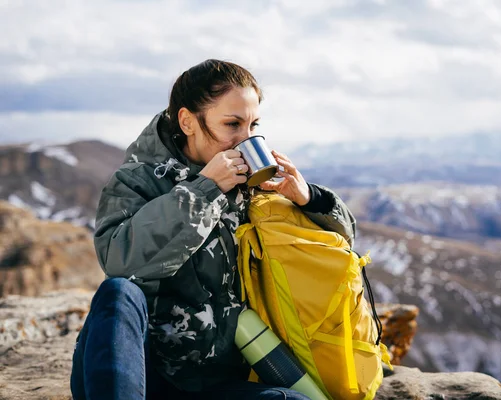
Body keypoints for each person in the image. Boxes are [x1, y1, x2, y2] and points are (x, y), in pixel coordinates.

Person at [70, 59, 356, 400]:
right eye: (232, 124)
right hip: (138, 375)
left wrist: (308, 198)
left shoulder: (252, 186)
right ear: (188, 121)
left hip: (215, 380)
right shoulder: (138, 181)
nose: (244, 139)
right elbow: (120, 260)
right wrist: (204, 190)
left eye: (253, 125)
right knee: (118, 293)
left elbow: (343, 243)